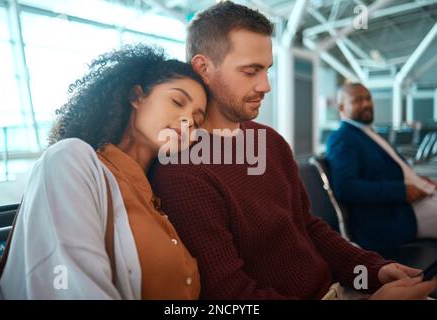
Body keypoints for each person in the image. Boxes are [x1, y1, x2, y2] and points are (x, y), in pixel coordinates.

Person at [149, 1, 437, 300]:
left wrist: (373, 270)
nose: (265, 86)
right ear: (203, 68)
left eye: (267, 70)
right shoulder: (182, 172)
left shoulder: (269, 141)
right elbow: (232, 296)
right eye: (251, 71)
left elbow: (309, 227)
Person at [0, 45, 207, 299]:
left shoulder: (157, 200)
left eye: (197, 120)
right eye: (177, 101)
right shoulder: (71, 160)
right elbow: (69, 285)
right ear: (137, 96)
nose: (188, 122)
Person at [326, 83, 437, 251]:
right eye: (357, 100)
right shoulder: (342, 138)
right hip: (395, 215)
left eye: (368, 98)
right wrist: (402, 191)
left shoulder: (369, 133)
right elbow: (346, 187)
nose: (366, 104)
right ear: (341, 107)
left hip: (415, 202)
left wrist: (418, 180)